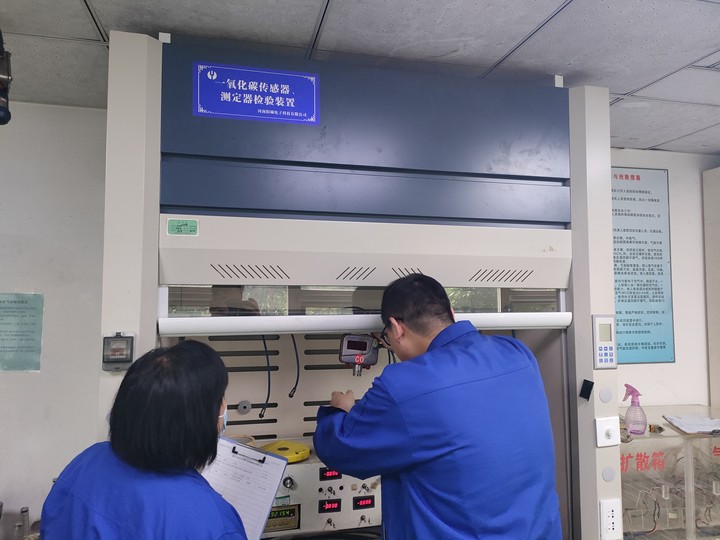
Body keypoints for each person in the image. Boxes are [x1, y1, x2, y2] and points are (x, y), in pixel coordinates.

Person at [313, 274, 561, 539]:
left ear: (396, 328)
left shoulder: (404, 383)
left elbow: (341, 449)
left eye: (387, 335)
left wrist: (340, 410)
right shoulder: (517, 352)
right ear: (451, 312)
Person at [41, 340, 248, 540]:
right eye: (220, 397)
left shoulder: (87, 461)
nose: (224, 405)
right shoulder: (214, 524)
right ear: (196, 422)